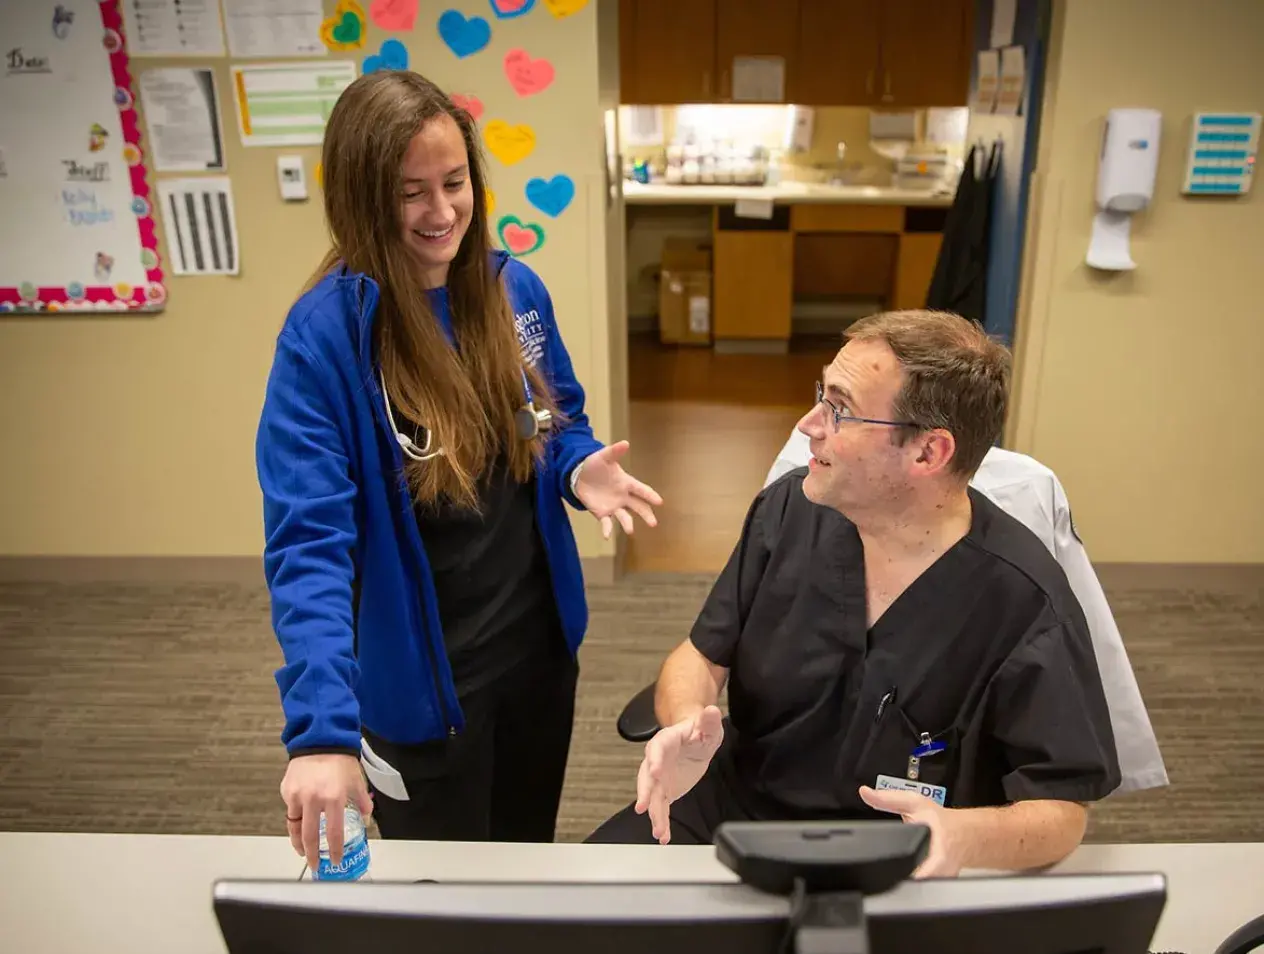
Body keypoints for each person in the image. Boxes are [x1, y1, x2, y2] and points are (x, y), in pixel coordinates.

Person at [256, 71, 661, 870]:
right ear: (362, 198)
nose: (441, 212)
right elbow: (309, 549)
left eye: (453, 182)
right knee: (443, 889)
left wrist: (575, 467)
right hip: (420, 693)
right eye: (410, 193)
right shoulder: (324, 342)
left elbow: (553, 418)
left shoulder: (513, 290)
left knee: (524, 862)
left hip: (536, 657)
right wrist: (322, 733)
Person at [587, 309, 1121, 878]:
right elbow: (701, 654)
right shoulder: (790, 510)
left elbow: (1061, 809)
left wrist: (965, 836)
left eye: (839, 409)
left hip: (901, 856)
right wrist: (685, 722)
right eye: (821, 395)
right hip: (734, 813)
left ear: (928, 452)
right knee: (571, 904)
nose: (807, 424)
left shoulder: (1025, 601)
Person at [766, 431, 1168, 795]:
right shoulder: (800, 486)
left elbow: (1071, 668)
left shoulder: (1025, 491)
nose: (814, 424)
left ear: (932, 449)